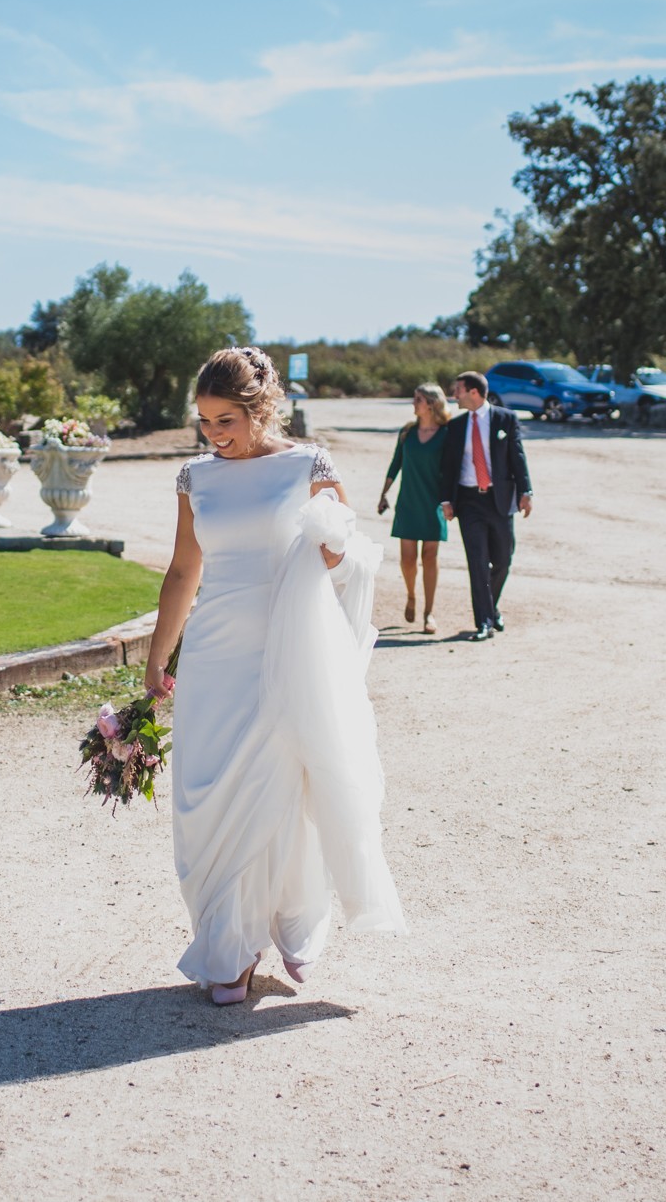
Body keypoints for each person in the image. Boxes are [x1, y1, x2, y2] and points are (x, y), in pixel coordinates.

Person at [143, 347, 406, 1006]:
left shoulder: (307, 465)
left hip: (288, 657)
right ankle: (225, 939)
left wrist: (334, 546)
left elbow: (350, 559)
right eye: (204, 420)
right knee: (205, 798)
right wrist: (158, 655)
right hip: (212, 656)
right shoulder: (193, 478)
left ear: (261, 408)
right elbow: (183, 572)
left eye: (225, 418)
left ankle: (273, 930)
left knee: (278, 790)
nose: (213, 434)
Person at [439, 370, 533, 643]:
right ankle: (484, 622)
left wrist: (526, 491)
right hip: (469, 502)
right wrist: (447, 500)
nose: (454, 395)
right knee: (477, 562)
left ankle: (490, 607)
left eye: (458, 390)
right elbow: (447, 468)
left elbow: (518, 457)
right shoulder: (455, 427)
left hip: (500, 500)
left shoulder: (506, 419)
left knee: (503, 559)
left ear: (474, 392)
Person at [375, 383, 452, 633]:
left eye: (417, 399)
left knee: (430, 556)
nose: (413, 403)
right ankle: (411, 595)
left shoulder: (446, 433)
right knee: (408, 559)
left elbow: (453, 470)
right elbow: (395, 464)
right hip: (408, 501)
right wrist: (384, 493)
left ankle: (429, 613)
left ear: (431, 403)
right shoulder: (407, 432)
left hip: (434, 502)